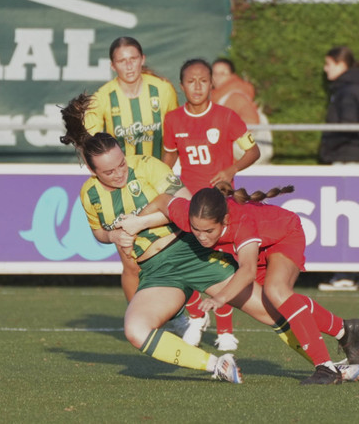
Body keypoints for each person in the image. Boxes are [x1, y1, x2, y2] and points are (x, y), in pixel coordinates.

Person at [60, 93, 298, 384]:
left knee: (269, 311)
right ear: (91, 171)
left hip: (189, 251)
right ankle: (217, 365)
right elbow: (99, 233)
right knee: (136, 330)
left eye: (121, 163)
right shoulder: (89, 194)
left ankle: (328, 358)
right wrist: (113, 234)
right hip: (156, 272)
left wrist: (137, 224)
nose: (120, 173)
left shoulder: (147, 165)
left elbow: (184, 205)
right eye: (109, 171)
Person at [151, 182, 359, 385]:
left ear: (224, 220)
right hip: (259, 248)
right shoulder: (190, 215)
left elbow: (247, 270)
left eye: (209, 231)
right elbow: (162, 201)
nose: (201, 237)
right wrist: (133, 224)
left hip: (284, 235)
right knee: (277, 305)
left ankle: (325, 368)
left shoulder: (241, 222)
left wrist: (220, 298)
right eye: (196, 230)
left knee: (277, 291)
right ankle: (345, 330)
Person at [81, 37, 184, 319]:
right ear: (113, 65)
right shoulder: (102, 97)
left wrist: (165, 173)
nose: (129, 65)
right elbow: (90, 145)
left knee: (178, 247)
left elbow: (173, 136)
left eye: (133, 58)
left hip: (156, 180)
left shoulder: (162, 90)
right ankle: (140, 318)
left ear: (142, 58)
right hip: (120, 185)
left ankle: (186, 314)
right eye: (122, 60)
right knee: (132, 262)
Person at [161, 59, 261, 351]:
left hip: (220, 202)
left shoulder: (227, 116)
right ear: (181, 86)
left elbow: (253, 151)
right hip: (190, 203)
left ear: (211, 84)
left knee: (222, 266)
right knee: (191, 262)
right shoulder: (173, 120)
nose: (197, 86)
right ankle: (195, 317)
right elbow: (167, 163)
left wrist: (230, 171)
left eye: (203, 80)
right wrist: (165, 191)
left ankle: (226, 332)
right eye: (191, 81)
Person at [318, 46, 359, 292]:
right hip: (354, 157)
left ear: (341, 64)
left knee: (345, 216)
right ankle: (350, 271)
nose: (325, 68)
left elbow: (348, 126)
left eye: (328, 63)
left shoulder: (348, 91)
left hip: (348, 158)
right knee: (349, 215)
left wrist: (327, 151)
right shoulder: (354, 88)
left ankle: (347, 273)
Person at [211, 58, 273, 164]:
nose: (218, 77)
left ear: (232, 75)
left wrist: (225, 137)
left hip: (239, 158)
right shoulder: (218, 95)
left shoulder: (235, 96)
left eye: (223, 73)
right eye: (214, 73)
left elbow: (251, 121)